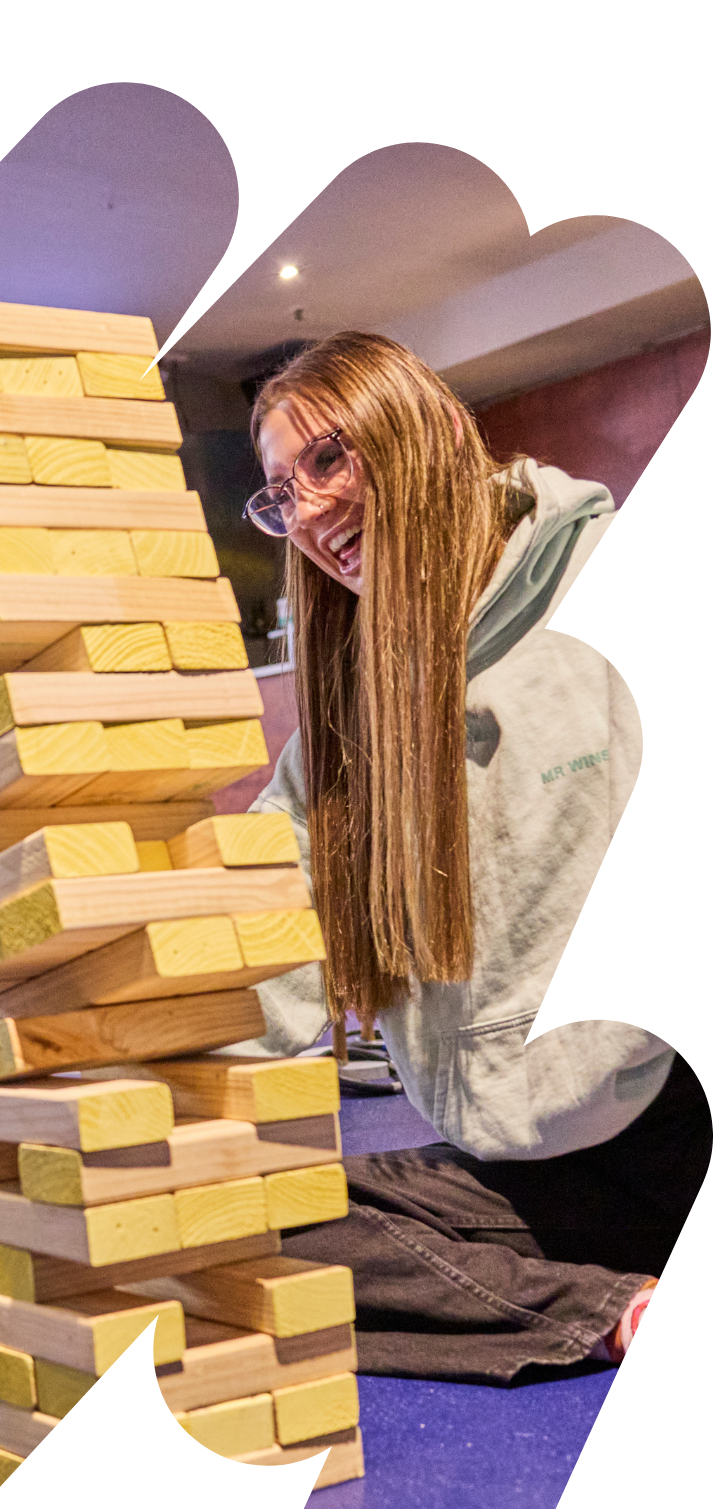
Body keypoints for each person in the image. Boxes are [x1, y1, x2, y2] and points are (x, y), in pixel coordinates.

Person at [229, 329, 706, 1383]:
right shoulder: (342, 739)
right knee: (229, 1229)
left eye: (327, 458)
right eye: (277, 490)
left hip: (673, 1124)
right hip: (518, 1172)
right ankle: (606, 1307)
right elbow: (246, 946)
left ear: (434, 431)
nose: (306, 510)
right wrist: (15, 1028)